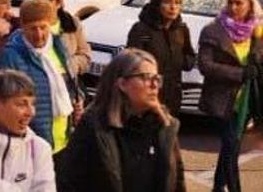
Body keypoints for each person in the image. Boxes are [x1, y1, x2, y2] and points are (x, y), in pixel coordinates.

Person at [56, 49, 185, 192]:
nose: (154, 85)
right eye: (146, 77)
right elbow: (70, 182)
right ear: (122, 84)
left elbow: (178, 182)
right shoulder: (94, 127)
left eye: (157, 78)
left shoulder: (165, 127)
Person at [0, 0, 83, 154]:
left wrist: (78, 101)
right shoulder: (11, 56)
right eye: (32, 28)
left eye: (43, 27)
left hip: (64, 139)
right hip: (33, 144)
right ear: (22, 26)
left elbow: (70, 82)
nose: (39, 34)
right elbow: (6, 104)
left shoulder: (59, 46)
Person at [198, 0, 263, 192]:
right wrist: (239, 73)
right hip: (222, 100)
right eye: (230, 2)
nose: (233, 7)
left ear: (250, 6)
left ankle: (217, 188)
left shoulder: (258, 32)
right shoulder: (213, 30)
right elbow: (205, 65)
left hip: (248, 101)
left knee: (229, 149)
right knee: (231, 146)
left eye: (239, 3)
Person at [126, 0, 196, 116]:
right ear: (157, 4)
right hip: (148, 95)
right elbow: (131, 62)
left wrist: (179, 61)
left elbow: (189, 57)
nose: (173, 7)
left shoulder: (181, 29)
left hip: (173, 95)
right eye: (167, 2)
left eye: (177, 3)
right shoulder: (142, 29)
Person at [34, 0, 92, 76]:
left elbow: (85, 55)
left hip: (66, 80)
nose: (42, 4)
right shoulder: (31, 22)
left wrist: (71, 65)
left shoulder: (72, 23)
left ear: (58, 3)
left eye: (48, 0)